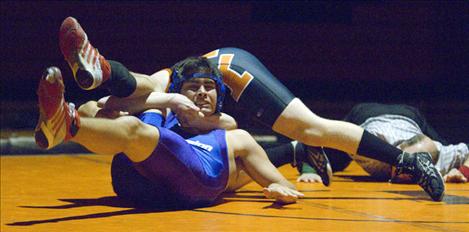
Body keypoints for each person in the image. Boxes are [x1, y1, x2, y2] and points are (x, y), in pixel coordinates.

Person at [56, 16, 445, 201]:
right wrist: (85, 108)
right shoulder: (158, 92)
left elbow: (215, 120)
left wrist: (92, 107)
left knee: (310, 127)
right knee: (133, 98)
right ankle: (105, 73)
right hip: (185, 80)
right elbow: (113, 106)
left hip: (227, 67)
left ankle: (410, 163)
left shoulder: (174, 91)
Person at [34, 59, 306, 208]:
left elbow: (286, 185)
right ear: (179, 91)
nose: (201, 92)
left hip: (194, 182)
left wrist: (281, 190)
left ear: (219, 95)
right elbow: (106, 106)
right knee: (94, 107)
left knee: (136, 129)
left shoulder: (234, 133)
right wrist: (167, 101)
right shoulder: (167, 110)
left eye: (209, 87)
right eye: (193, 86)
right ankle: (96, 81)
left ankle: (66, 126)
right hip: (137, 183)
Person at [320, 103, 469, 183]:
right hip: (367, 113)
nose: (410, 172)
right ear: (394, 155)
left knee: (441, 143)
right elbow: (320, 134)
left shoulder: (438, 157)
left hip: (412, 117)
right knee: (333, 164)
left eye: (418, 169)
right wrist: (310, 171)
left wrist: (462, 172)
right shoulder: (373, 154)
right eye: (406, 166)